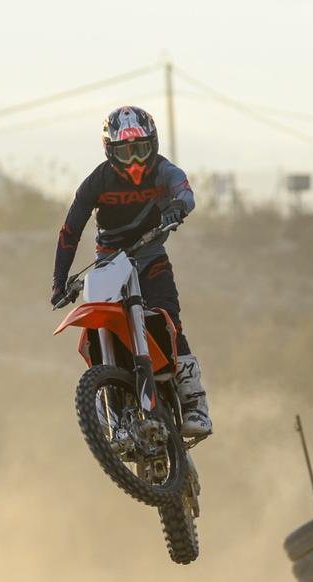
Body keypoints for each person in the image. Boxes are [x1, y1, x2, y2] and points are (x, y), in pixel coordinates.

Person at [50, 105, 211, 437]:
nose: (135, 160)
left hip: (151, 257)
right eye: (125, 151)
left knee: (169, 320)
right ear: (111, 151)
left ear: (152, 144)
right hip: (109, 263)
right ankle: (110, 412)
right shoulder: (97, 181)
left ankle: (195, 403)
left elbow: (185, 190)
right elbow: (70, 230)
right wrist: (59, 282)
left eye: (140, 149)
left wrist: (179, 207)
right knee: (97, 325)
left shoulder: (164, 170)